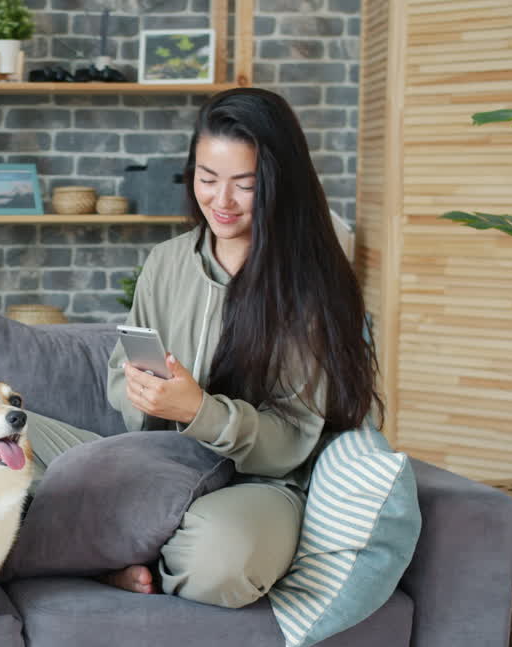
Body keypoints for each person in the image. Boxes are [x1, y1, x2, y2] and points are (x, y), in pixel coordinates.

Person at [27, 87, 379, 608]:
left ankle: (112, 551)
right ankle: (117, 550)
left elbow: (289, 441)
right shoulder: (167, 262)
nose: (222, 201)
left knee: (222, 559)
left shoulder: (313, 287)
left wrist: (200, 412)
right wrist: (143, 393)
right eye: (207, 179)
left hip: (255, 487)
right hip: (157, 463)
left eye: (245, 185)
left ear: (281, 183)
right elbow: (124, 370)